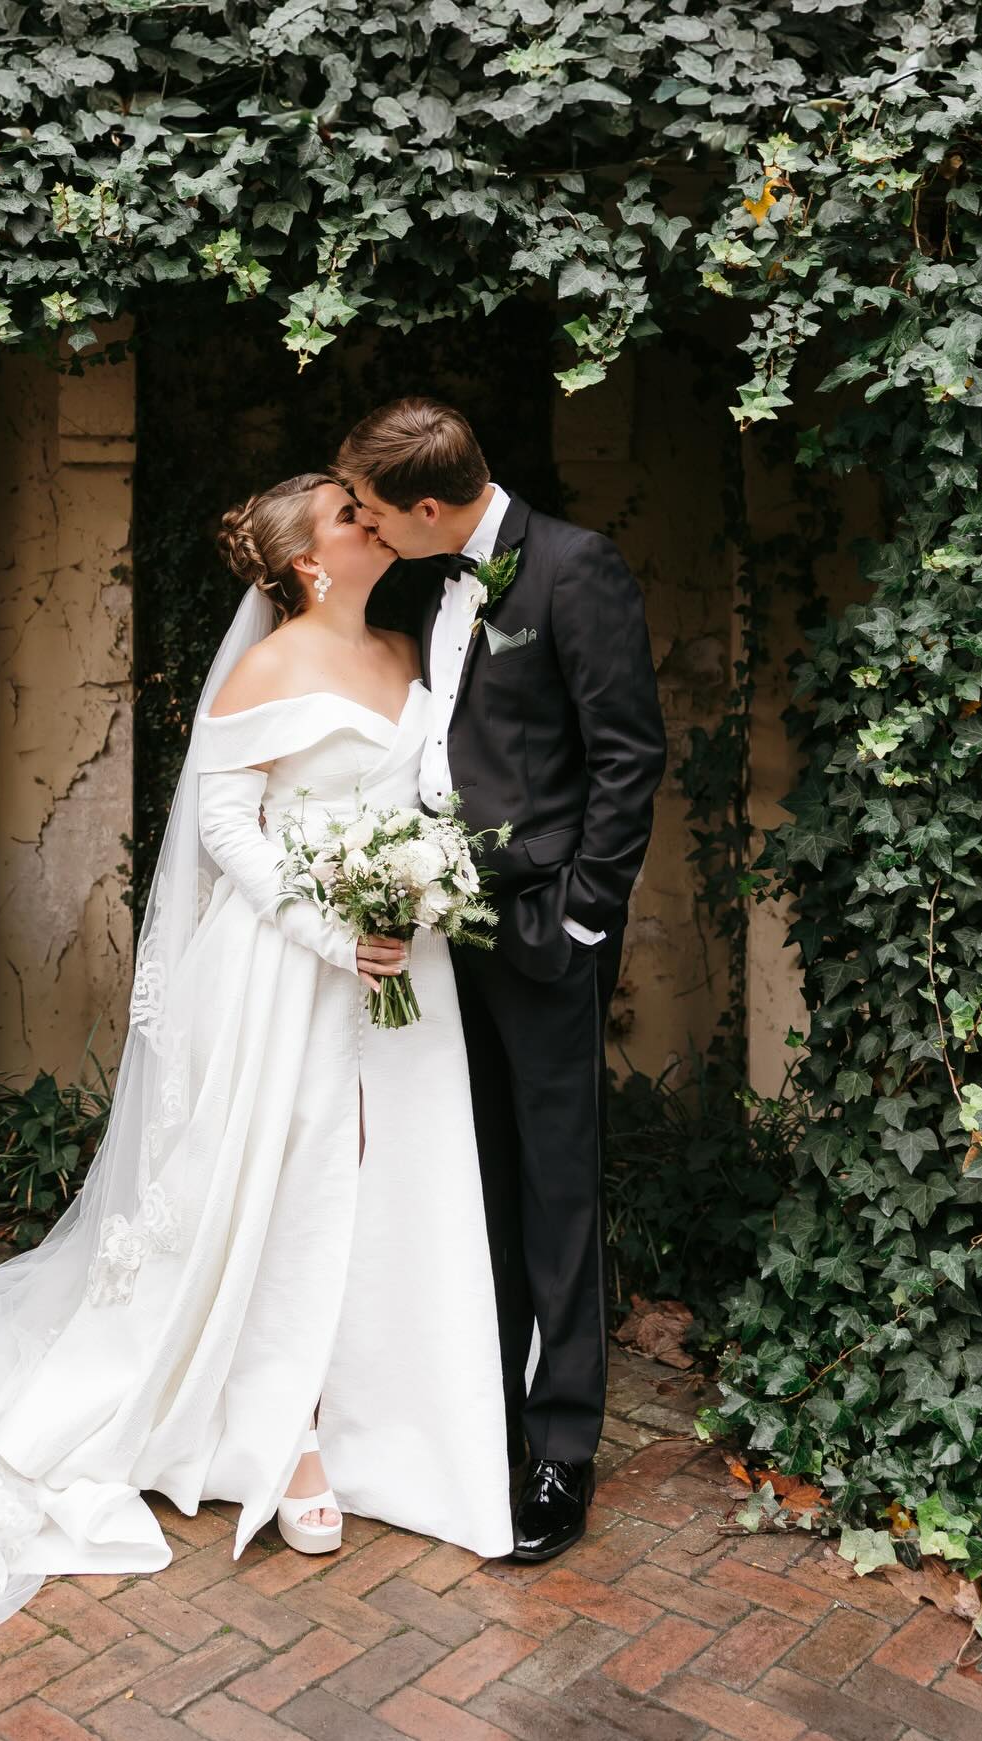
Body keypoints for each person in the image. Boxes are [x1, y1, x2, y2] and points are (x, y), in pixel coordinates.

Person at [0, 472, 513, 1739]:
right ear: (309, 562)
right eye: (348, 514)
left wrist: (416, 892)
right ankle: (289, 1428)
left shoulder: (407, 644)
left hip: (402, 966)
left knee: (396, 1174)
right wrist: (333, 928)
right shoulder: (265, 670)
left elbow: (433, 791)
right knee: (288, 1175)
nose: (372, 520)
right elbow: (229, 829)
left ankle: (403, 1408)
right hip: (290, 968)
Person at [334, 399, 667, 1562]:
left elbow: (628, 756)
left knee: (557, 1183)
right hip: (442, 932)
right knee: (475, 1178)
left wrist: (582, 918)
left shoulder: (576, 569)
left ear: (428, 507)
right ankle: (486, 1413)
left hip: (542, 927)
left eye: (375, 511)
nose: (367, 528)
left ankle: (562, 1446)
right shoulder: (432, 580)